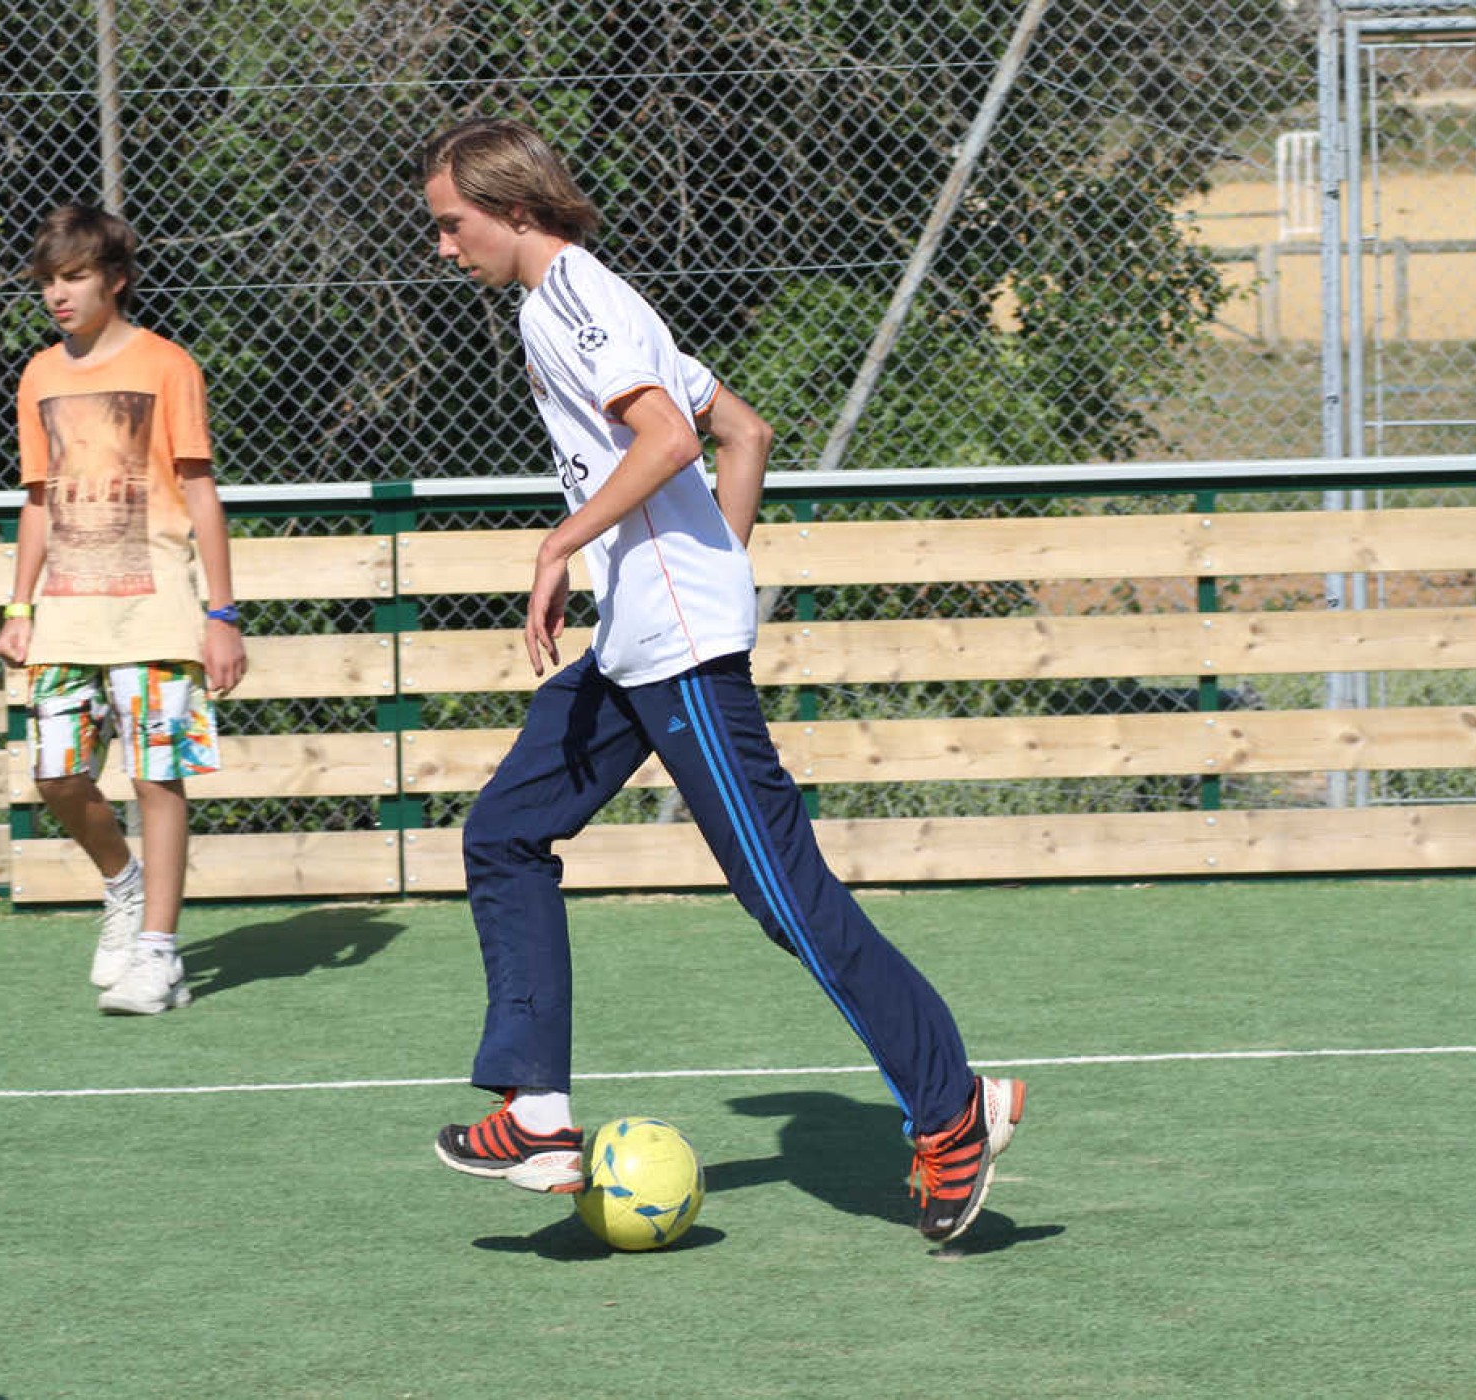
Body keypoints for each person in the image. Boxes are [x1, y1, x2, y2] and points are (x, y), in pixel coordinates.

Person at [419, 118, 1025, 1244]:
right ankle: (539, 1110)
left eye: (452, 225)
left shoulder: (574, 298)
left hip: (677, 651)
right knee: (505, 831)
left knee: (786, 896)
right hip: (643, 642)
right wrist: (707, 574)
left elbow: (671, 443)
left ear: (511, 205)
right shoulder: (572, 301)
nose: (444, 247)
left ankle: (951, 1110)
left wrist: (568, 546)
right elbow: (744, 428)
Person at [0, 202, 247, 1016]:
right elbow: (38, 500)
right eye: (48, 283)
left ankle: (160, 954)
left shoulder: (168, 366)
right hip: (65, 609)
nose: (57, 296)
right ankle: (123, 884)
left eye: (74, 279)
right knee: (56, 773)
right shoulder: (38, 375)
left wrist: (223, 612)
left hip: (158, 608)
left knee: (158, 777)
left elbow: (201, 490)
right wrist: (19, 603)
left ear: (115, 280)